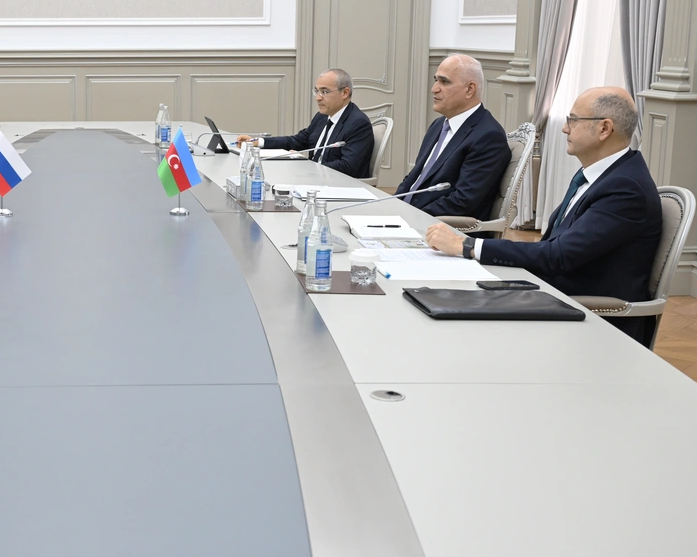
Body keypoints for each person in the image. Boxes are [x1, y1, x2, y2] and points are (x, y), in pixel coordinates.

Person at [426, 87, 663, 348]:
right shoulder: (605, 175)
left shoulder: (626, 189)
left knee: (460, 325)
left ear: (604, 128)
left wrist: (468, 245)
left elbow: (557, 256)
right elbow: (554, 249)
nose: (565, 128)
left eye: (573, 120)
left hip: (592, 322)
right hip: (555, 294)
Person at [395, 54, 510, 220]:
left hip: (438, 227)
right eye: (436, 80)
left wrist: (409, 216)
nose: (434, 88)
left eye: (444, 82)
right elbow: (415, 178)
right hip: (406, 216)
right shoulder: (438, 125)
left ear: (469, 89)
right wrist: (392, 207)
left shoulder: (488, 137)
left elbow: (462, 201)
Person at [237, 68, 374, 178]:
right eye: (317, 91)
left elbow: (348, 167)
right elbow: (297, 141)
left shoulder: (358, 123)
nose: (318, 98)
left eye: (324, 92)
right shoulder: (322, 117)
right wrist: (258, 142)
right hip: (313, 179)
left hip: (339, 188)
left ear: (345, 93)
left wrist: (306, 164)